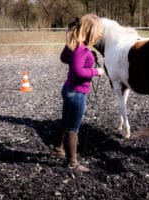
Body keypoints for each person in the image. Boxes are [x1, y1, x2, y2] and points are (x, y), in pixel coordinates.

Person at [50, 14, 105, 172]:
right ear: (90, 32)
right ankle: (72, 163)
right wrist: (96, 71)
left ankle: (58, 148)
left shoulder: (74, 44)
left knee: (65, 122)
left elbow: (63, 58)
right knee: (73, 128)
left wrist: (82, 57)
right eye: (97, 33)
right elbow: (78, 72)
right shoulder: (80, 48)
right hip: (77, 93)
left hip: (68, 89)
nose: (99, 36)